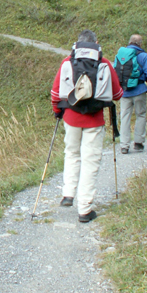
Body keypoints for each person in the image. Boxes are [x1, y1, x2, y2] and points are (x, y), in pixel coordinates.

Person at [51, 30, 123, 223]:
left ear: (78, 44)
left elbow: (56, 93)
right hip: (94, 120)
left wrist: (58, 112)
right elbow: (117, 95)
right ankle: (84, 210)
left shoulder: (67, 62)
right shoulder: (104, 63)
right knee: (90, 162)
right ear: (95, 43)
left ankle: (68, 194)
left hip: (71, 118)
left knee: (72, 153)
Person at [113, 34, 147, 154]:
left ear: (129, 42)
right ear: (140, 44)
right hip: (139, 89)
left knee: (125, 117)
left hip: (124, 91)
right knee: (141, 115)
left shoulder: (120, 55)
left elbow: (115, 72)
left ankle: (124, 145)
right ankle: (138, 143)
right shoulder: (144, 56)